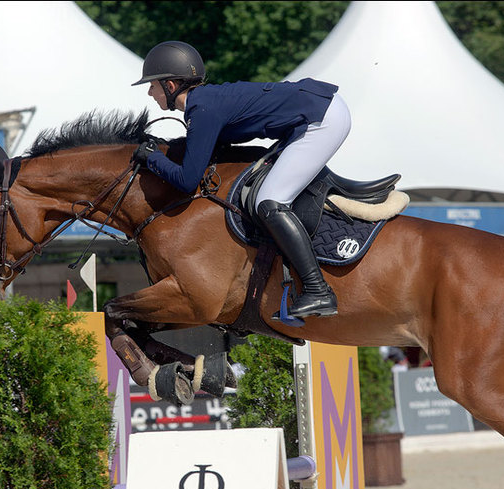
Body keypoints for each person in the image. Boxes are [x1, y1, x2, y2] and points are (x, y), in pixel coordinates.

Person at [131, 41, 351, 318]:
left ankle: (318, 290)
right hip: (314, 113)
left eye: (152, 86)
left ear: (170, 86)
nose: (150, 93)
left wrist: (151, 157)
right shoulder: (203, 104)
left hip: (322, 120)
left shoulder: (202, 110)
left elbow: (187, 181)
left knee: (269, 201)